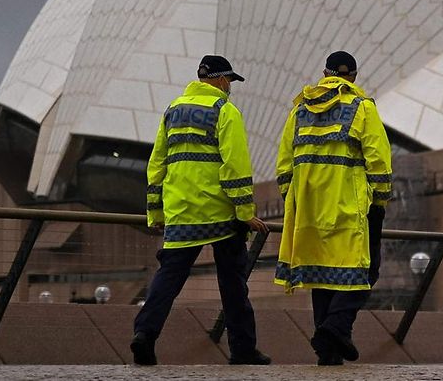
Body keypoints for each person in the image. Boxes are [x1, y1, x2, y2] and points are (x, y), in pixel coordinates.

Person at [130, 55, 271, 366]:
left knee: (167, 279)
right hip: (220, 213)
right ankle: (243, 350)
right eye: (230, 81)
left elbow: (157, 165)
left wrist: (156, 214)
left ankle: (144, 334)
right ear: (220, 80)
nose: (230, 87)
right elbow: (235, 165)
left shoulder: (173, 111)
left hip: (181, 212)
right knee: (233, 284)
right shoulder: (224, 110)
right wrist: (244, 211)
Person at [274, 50, 393, 365]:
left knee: (322, 275)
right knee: (365, 270)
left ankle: (328, 351)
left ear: (325, 74)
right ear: (352, 77)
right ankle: (335, 328)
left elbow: (284, 163)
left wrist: (292, 198)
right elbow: (378, 158)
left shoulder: (299, 110)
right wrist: (380, 199)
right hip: (348, 207)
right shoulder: (361, 108)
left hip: (308, 209)